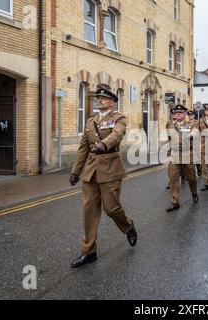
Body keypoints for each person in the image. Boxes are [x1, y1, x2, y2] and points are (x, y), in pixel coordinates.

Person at [69, 84, 137, 268]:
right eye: (97, 98)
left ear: (112, 102)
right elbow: (83, 148)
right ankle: (88, 251)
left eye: (103, 98)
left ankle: (128, 226)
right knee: (89, 211)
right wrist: (76, 171)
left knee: (112, 209)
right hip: (90, 173)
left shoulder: (119, 118)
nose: (99, 100)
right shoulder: (90, 121)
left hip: (111, 170)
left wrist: (104, 144)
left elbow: (117, 134)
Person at [166, 105, 199, 212]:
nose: (177, 114)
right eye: (176, 112)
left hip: (187, 155)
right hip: (174, 155)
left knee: (191, 178)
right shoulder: (170, 125)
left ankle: (194, 192)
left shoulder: (191, 124)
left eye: (180, 113)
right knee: (173, 179)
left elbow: (195, 132)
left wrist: (190, 135)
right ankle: (174, 202)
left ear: (184, 114)